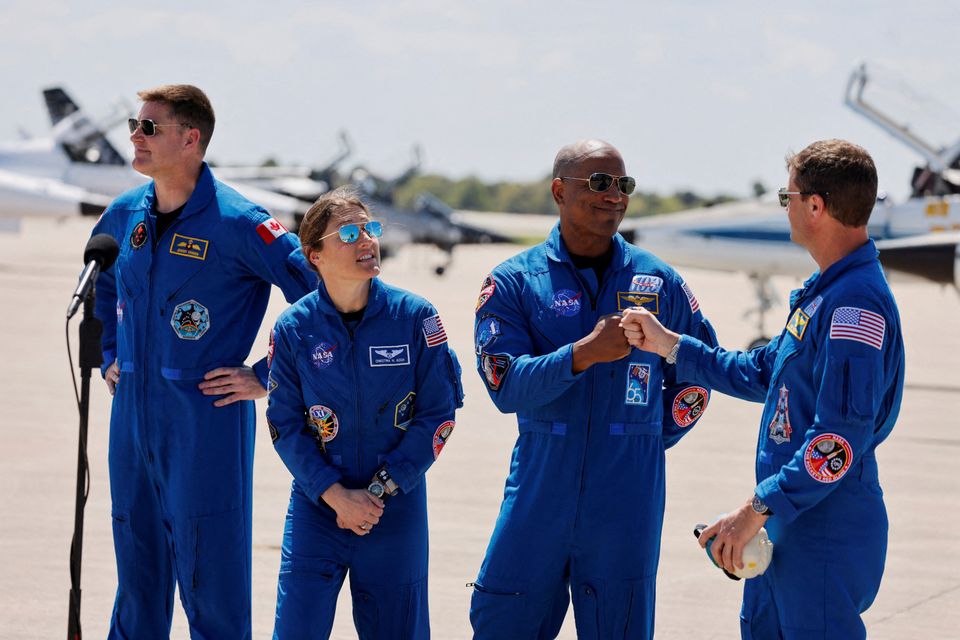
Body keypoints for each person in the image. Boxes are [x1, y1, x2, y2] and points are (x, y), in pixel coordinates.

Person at [621, 139, 904, 639]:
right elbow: (759, 371)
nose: (784, 208)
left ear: (815, 206)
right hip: (790, 521)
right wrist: (671, 346)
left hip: (824, 527)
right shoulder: (825, 294)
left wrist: (755, 511)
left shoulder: (854, 306)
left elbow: (836, 442)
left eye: (786, 197)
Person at [91, 85, 317, 639]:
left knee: (211, 579)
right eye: (134, 125)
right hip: (132, 421)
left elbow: (320, 301)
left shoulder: (240, 222)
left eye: (149, 128)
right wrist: (110, 354)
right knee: (137, 573)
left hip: (205, 422)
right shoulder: (123, 214)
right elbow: (101, 285)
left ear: (190, 139)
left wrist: (266, 376)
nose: (135, 137)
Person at [469, 139, 718, 638]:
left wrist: (644, 437)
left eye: (624, 185)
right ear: (559, 191)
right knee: (503, 621)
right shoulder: (514, 282)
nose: (615, 196)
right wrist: (582, 354)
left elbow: (697, 376)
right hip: (539, 494)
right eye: (600, 183)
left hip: (627, 501)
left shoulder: (660, 282)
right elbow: (506, 387)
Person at [266, 186, 464, 639]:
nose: (368, 241)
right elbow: (284, 424)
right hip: (318, 508)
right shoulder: (294, 329)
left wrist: (377, 491)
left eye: (370, 229)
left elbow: (438, 413)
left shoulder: (415, 317)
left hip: (394, 509)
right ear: (315, 255)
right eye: (349, 233)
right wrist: (335, 495)